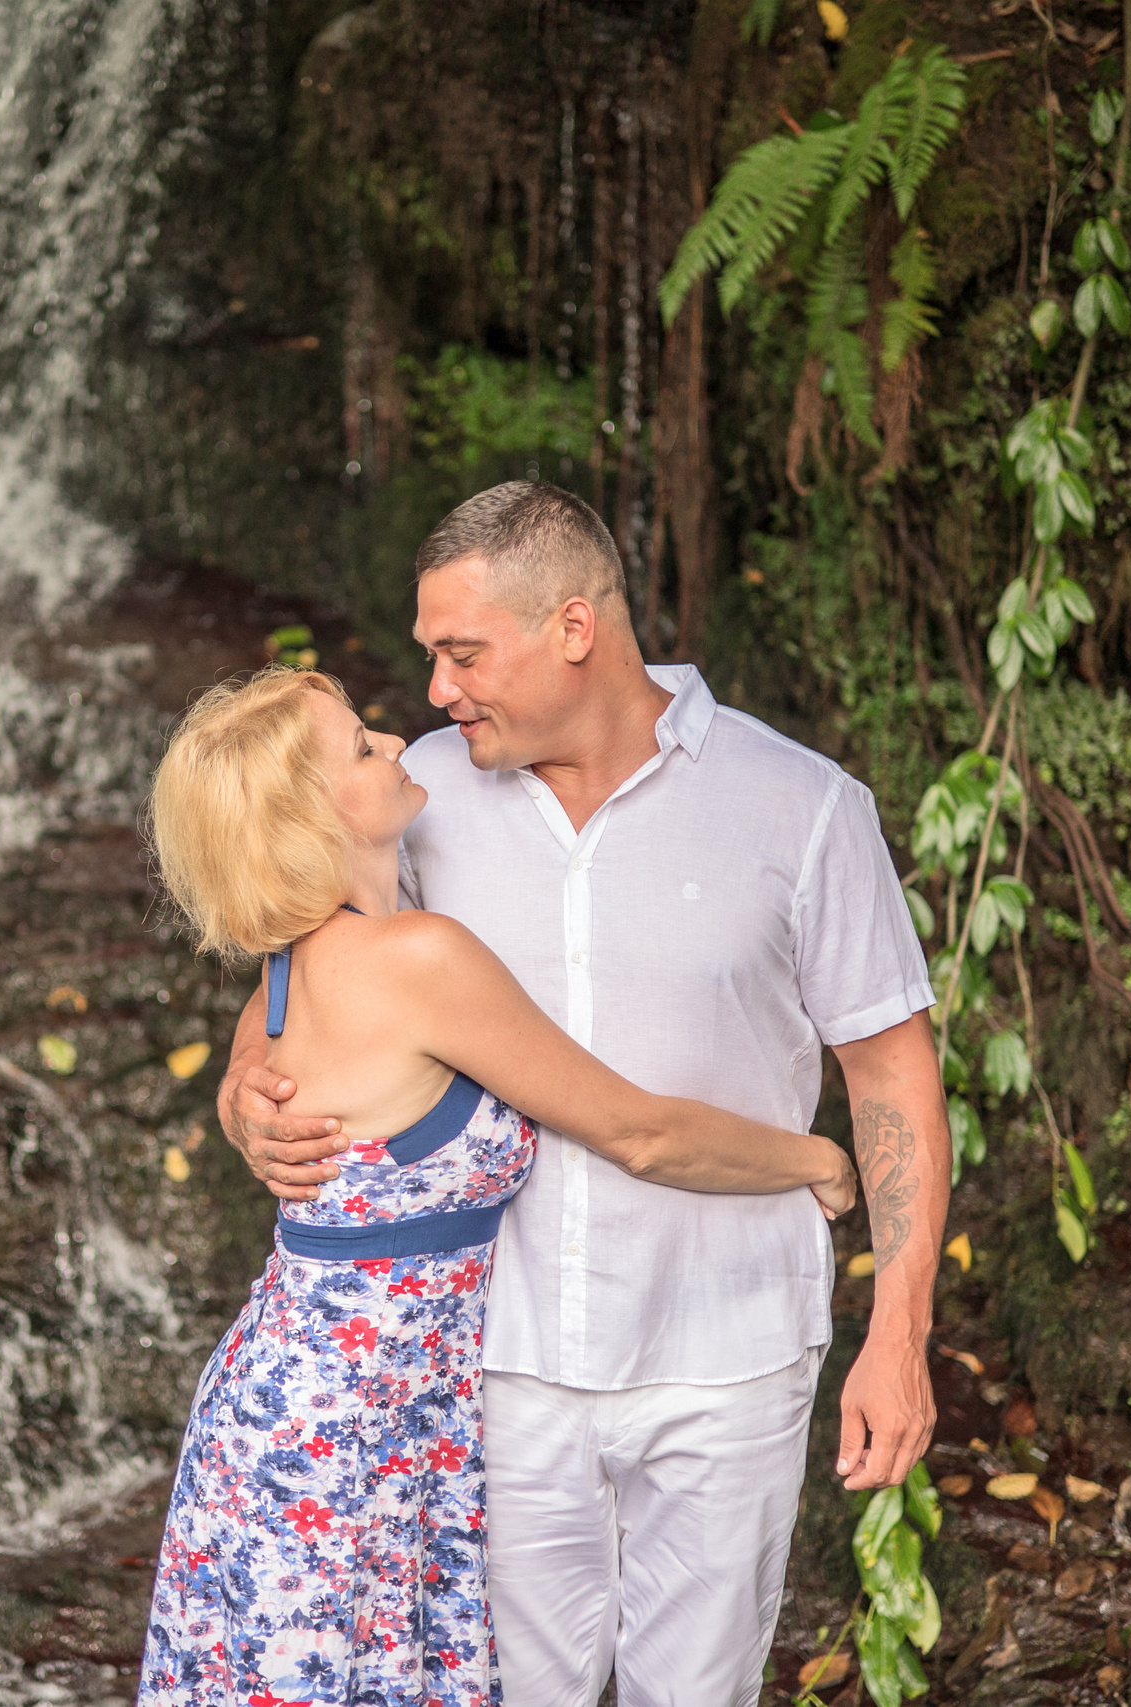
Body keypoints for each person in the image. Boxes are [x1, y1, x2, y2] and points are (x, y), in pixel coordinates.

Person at [217, 482, 950, 1707]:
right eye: (431, 659)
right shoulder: (416, 799)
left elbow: (888, 1067)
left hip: (730, 1353)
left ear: (572, 628)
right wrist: (249, 1088)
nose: (438, 692)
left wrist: (901, 1327)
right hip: (493, 1363)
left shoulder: (803, 806)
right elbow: (299, 964)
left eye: (463, 654)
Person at [135, 666, 859, 1707]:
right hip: (339, 1447)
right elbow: (638, 1132)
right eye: (358, 748)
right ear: (309, 818)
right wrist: (815, 1160)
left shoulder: (297, 967)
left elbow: (262, 1060)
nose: (392, 742)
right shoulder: (417, 957)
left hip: (327, 1420)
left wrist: (236, 1099)